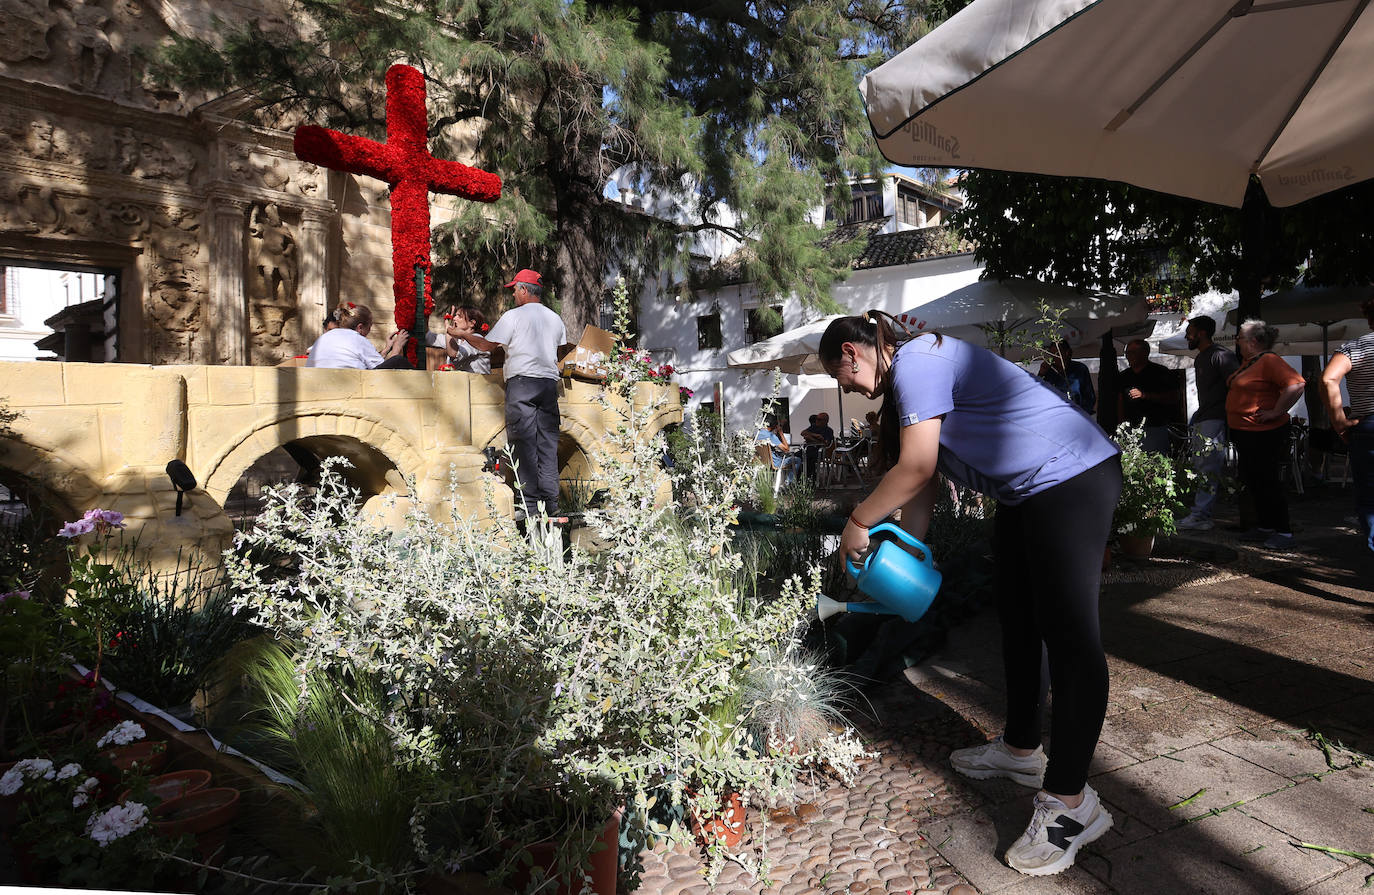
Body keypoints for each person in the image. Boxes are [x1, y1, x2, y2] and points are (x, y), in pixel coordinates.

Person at [821, 311, 1120, 877]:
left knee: (1072, 638)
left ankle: (1071, 804)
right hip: (1024, 494)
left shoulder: (918, 360)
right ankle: (1021, 750)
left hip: (1071, 478)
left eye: (842, 377)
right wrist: (908, 555)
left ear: (851, 353)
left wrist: (858, 522)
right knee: (1019, 621)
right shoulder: (908, 388)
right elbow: (924, 483)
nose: (849, 390)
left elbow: (916, 466)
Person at [458, 270, 569, 517]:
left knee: (523, 443)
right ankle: (551, 506)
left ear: (524, 290)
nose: (513, 295)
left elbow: (487, 346)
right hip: (548, 384)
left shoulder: (514, 316)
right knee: (547, 445)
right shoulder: (555, 318)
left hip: (522, 384)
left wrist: (463, 335)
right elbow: (560, 351)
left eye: (515, 290)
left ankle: (529, 507)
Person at [1226, 320, 1306, 550]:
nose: (1237, 342)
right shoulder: (1250, 362)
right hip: (1246, 432)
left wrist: (1276, 411)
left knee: (1267, 480)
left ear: (1253, 341)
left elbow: (1296, 385)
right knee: (1254, 480)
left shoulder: (1269, 360)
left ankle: (1283, 532)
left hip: (1263, 433)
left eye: (1240, 338)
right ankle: (1266, 526)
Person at [1320, 296, 1374, 555]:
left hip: (1369, 427)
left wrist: (1339, 421)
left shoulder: (1354, 347)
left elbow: (1328, 379)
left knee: (1370, 498)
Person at [1177, 316, 1240, 531]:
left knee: (1208, 468)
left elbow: (1237, 385)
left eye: (1190, 332)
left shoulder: (1220, 355)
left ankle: (1201, 516)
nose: (1187, 336)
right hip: (1204, 417)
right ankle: (1200, 513)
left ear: (1202, 333)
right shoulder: (1200, 358)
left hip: (1216, 418)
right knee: (1200, 467)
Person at [1117, 339, 1181, 453]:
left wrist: (1145, 395)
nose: (1128, 356)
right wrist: (1121, 425)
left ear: (1144, 353)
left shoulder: (1160, 372)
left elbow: (1174, 397)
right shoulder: (1124, 376)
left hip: (1155, 427)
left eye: (1132, 352)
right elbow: (1120, 401)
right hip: (1130, 428)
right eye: (1127, 353)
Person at [305, 303, 410, 369]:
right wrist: (397, 348)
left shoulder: (324, 337)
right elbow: (382, 371)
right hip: (347, 388)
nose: (369, 331)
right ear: (360, 327)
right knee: (398, 361)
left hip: (317, 386)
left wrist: (386, 349)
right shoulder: (357, 339)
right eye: (369, 326)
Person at [426, 306, 492, 374]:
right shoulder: (457, 339)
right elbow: (427, 337)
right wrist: (426, 313)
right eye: (455, 315)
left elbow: (454, 354)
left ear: (472, 323)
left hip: (477, 380)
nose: (454, 318)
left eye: (459, 316)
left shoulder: (477, 339)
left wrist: (449, 329)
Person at [1037, 338, 1097, 413]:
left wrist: (1081, 413)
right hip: (1054, 413)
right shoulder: (1048, 370)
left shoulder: (1080, 369)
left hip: (1077, 413)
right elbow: (1038, 393)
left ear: (1067, 353)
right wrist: (1041, 373)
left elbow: (1089, 398)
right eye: (1051, 354)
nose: (1054, 357)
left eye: (1057, 354)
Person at [755, 413, 802, 485]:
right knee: (797, 460)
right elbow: (786, 449)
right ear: (774, 425)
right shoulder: (771, 435)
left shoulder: (757, 434)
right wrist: (781, 433)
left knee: (786, 456)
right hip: (775, 463)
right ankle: (787, 483)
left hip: (763, 461)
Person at [800, 413, 835, 481]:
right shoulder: (814, 427)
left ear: (825, 421)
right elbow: (803, 433)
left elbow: (826, 443)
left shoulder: (828, 430)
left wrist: (812, 438)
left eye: (819, 419)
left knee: (808, 458)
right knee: (795, 457)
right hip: (809, 449)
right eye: (816, 419)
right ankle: (799, 478)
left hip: (820, 451)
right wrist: (815, 436)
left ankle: (811, 479)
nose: (816, 421)